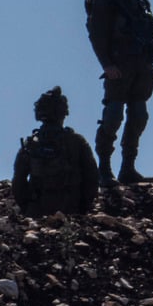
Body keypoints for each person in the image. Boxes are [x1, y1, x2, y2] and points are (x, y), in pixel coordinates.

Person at [86, 0, 153, 187]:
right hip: (119, 65)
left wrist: (151, 63)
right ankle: (104, 168)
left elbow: (150, 32)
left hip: (140, 66)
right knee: (114, 115)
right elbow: (97, 34)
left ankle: (128, 168)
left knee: (139, 115)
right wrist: (107, 64)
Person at [12, 86, 98, 217]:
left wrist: (27, 208)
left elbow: (18, 182)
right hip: (70, 210)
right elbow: (91, 178)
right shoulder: (76, 141)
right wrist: (82, 209)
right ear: (63, 113)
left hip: (37, 210)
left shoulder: (30, 144)